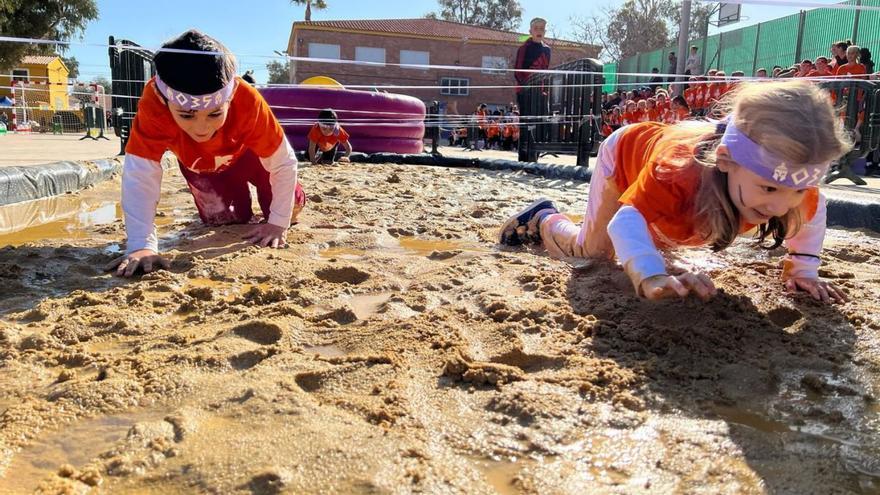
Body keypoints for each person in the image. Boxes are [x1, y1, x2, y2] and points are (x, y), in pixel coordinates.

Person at [498, 80, 850, 304]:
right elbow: (626, 221)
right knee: (592, 254)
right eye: (769, 187)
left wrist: (803, 270)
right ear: (726, 162)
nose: (780, 205)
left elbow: (813, 213)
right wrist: (650, 274)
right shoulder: (678, 173)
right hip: (626, 156)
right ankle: (544, 217)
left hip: (677, 177)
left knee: (670, 229)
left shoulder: (794, 184)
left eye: (798, 190)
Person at [107, 29, 306, 277]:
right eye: (186, 115)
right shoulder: (153, 106)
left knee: (289, 209)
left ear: (230, 97)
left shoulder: (247, 100)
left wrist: (278, 223)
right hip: (203, 167)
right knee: (225, 219)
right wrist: (141, 245)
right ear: (164, 98)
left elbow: (283, 163)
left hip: (253, 159)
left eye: (214, 113)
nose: (201, 128)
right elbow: (140, 175)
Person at [514, 17, 551, 115]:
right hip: (524, 89)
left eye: (542, 28)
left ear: (545, 31)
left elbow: (546, 71)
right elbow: (517, 71)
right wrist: (525, 88)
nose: (539, 31)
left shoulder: (547, 50)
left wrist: (545, 90)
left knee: (542, 119)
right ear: (530, 31)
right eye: (536, 28)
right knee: (527, 120)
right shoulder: (523, 48)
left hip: (539, 90)